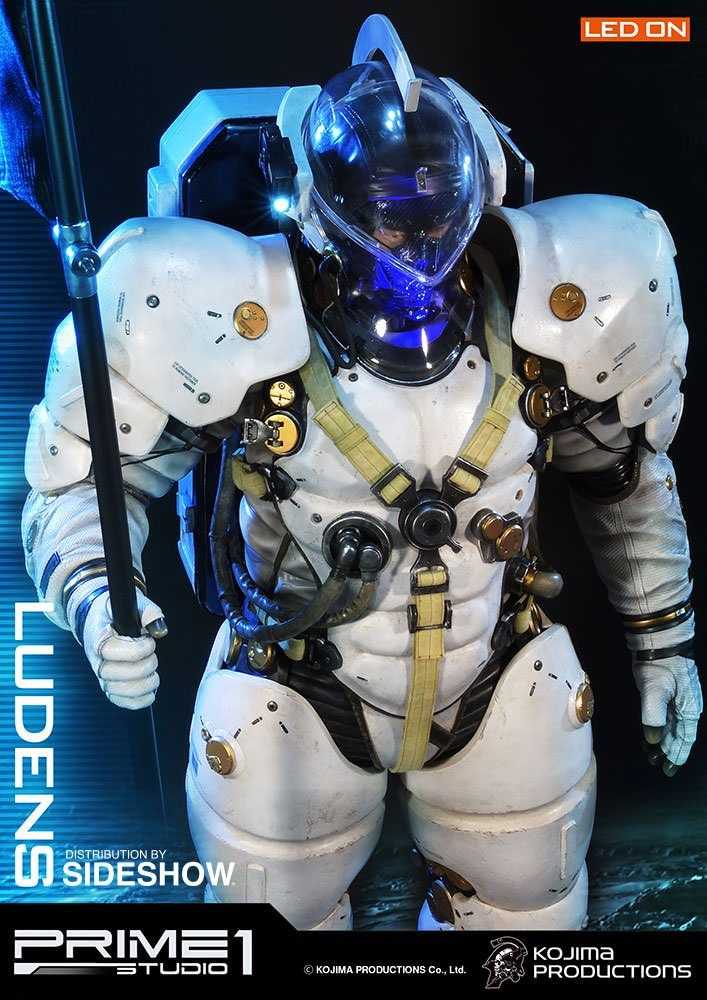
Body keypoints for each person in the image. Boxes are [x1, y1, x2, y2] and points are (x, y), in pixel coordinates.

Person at [22, 15, 700, 930]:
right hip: (294, 688)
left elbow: (622, 475)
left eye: (434, 211)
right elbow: (88, 483)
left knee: (524, 916)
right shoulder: (217, 316)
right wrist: (101, 598)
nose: (415, 247)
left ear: (478, 194)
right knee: (277, 919)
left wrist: (663, 643)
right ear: (322, 210)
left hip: (498, 672)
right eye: (388, 215)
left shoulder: (558, 312)